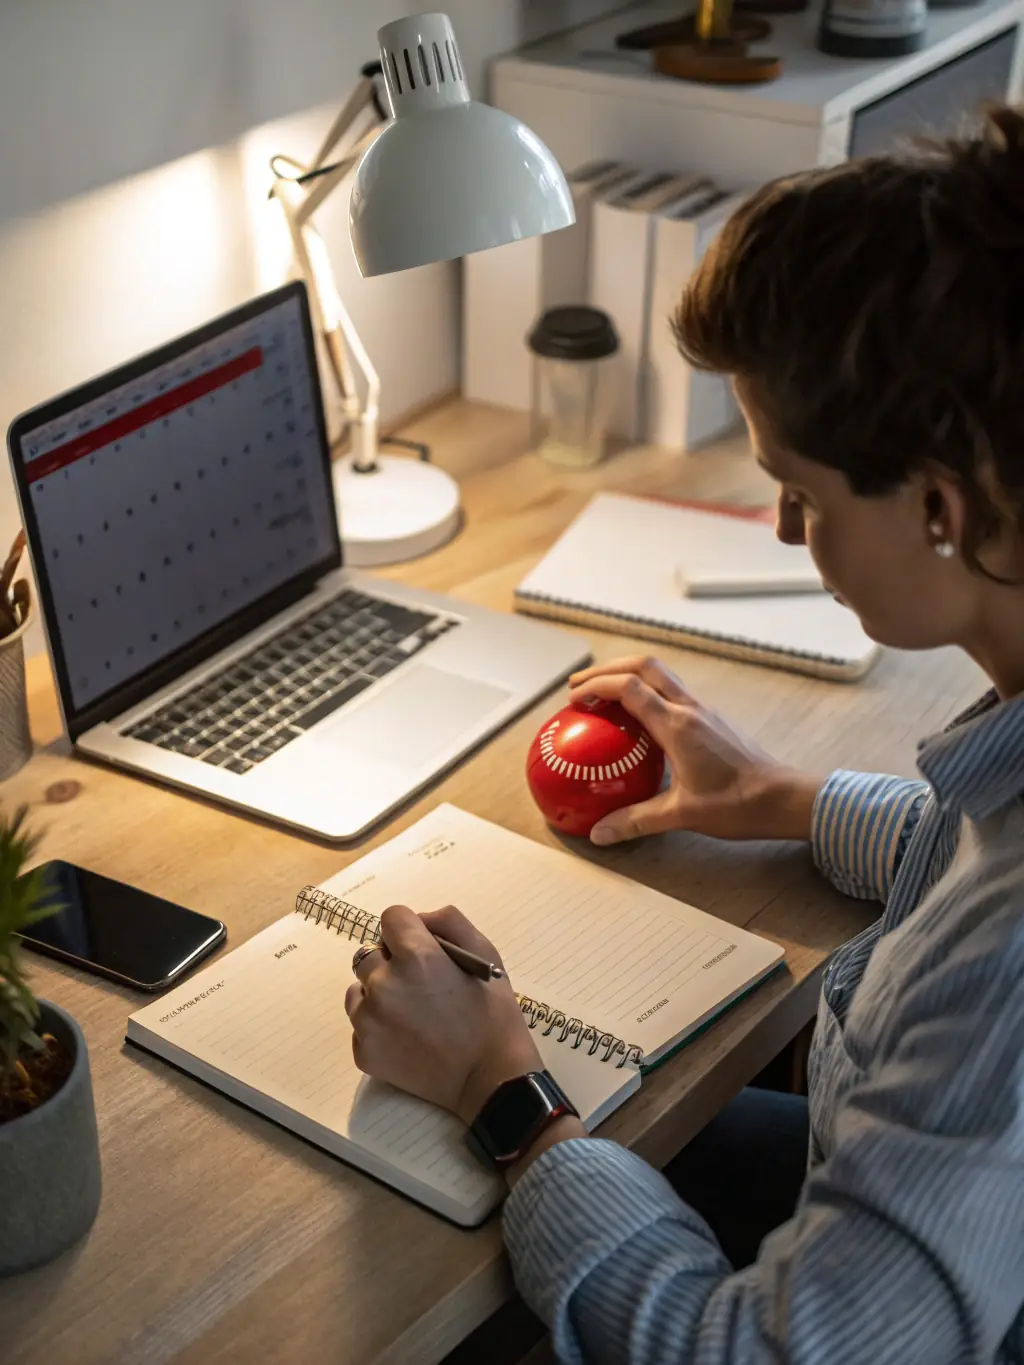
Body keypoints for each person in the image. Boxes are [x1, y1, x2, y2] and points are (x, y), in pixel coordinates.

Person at [345, 105, 1024, 1364]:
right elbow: (969, 846)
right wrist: (778, 797)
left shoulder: (1002, 989)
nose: (778, 529)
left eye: (803, 494)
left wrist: (509, 1094)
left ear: (938, 506)